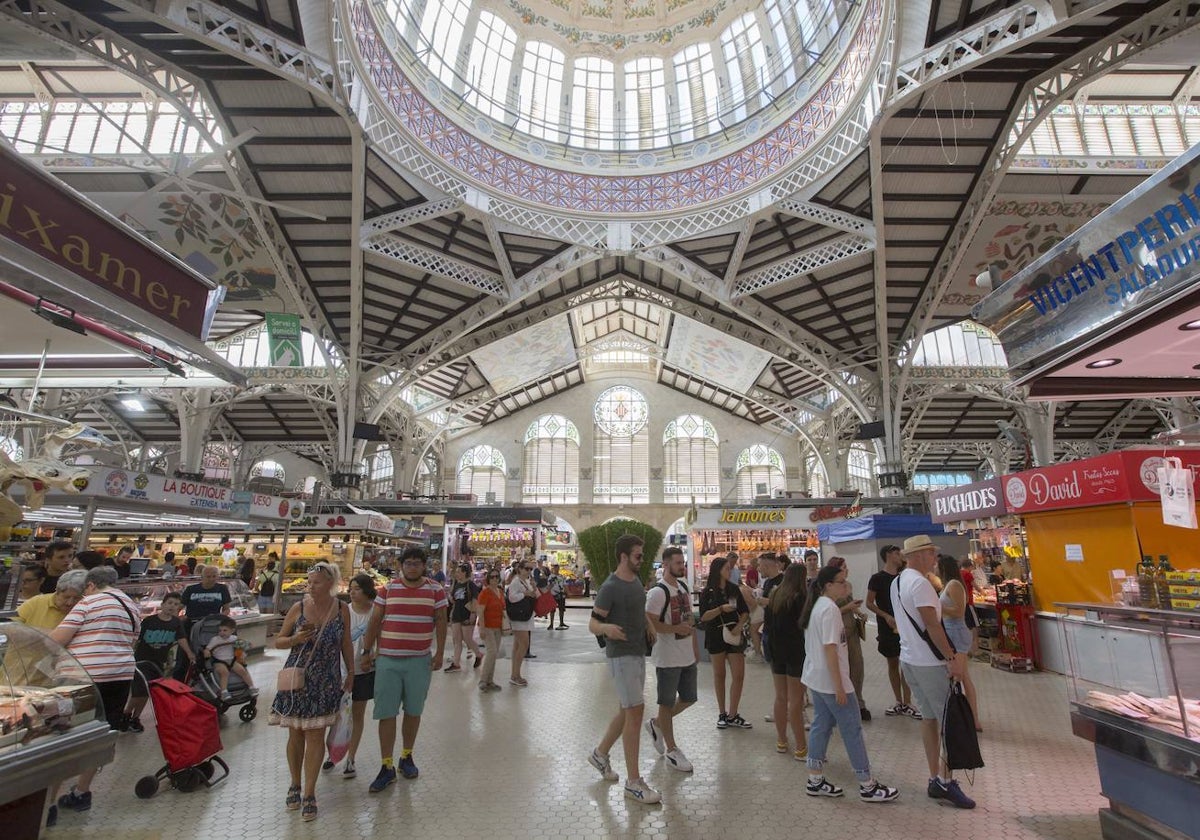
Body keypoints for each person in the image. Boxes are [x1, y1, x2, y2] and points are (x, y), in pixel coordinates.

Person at [801, 564, 899, 803]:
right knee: (852, 729)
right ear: (828, 586)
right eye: (842, 582)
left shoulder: (821, 607)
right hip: (831, 681)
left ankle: (815, 779)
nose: (846, 585)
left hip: (817, 678)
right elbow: (831, 649)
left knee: (821, 726)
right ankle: (867, 784)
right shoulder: (829, 610)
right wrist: (839, 686)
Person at [50, 566, 141, 820]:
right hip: (121, 677)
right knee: (100, 735)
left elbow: (56, 639)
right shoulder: (131, 607)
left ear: (90, 585)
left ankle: (49, 804)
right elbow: (132, 641)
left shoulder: (88, 603)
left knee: (65, 736)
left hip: (83, 679)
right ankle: (82, 792)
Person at [892, 535, 975, 809]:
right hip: (930, 663)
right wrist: (951, 657)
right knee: (948, 721)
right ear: (916, 556)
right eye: (930, 553)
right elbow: (933, 626)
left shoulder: (897, 582)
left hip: (910, 660)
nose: (934, 558)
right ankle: (947, 782)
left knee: (928, 718)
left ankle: (934, 777)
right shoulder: (921, 584)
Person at [270, 562, 354, 821]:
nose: (311, 586)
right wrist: (296, 639)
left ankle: (309, 793)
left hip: (326, 680)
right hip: (297, 680)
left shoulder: (341, 609)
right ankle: (295, 783)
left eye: (316, 582)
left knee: (316, 736)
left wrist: (351, 672)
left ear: (330, 583)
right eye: (309, 582)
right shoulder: (299, 608)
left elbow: (346, 641)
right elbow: (279, 640)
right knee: (295, 735)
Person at [361, 546, 448, 793]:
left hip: (419, 661)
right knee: (386, 712)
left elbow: (441, 621)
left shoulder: (436, 590)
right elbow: (375, 621)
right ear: (401, 565)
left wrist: (441, 652)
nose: (412, 567)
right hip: (388, 660)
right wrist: (367, 652)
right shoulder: (387, 589)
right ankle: (386, 765)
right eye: (408, 563)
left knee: (413, 711)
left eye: (416, 563)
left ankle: (406, 756)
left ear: (424, 566)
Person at [588, 534, 660, 804]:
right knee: (635, 712)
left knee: (627, 709)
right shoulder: (610, 587)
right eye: (638, 556)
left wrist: (649, 625)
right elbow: (593, 624)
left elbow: (638, 607)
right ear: (624, 557)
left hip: (638, 651)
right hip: (621, 656)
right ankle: (633, 782)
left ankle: (600, 754)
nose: (642, 560)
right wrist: (607, 628)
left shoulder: (636, 581)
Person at [644, 546, 698, 774]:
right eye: (677, 563)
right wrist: (674, 628)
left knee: (689, 698)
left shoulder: (683, 586)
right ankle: (672, 748)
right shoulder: (658, 592)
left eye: (682, 562)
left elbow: (689, 619)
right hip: (667, 657)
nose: (681, 566)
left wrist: (694, 648)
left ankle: (656, 723)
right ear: (665, 564)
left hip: (686, 655)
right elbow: (650, 622)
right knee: (666, 703)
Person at [324, 573, 377, 777]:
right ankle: (333, 753)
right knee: (336, 713)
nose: (352, 592)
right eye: (351, 589)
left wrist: (373, 657)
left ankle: (351, 758)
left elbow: (380, 640)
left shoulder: (376, 612)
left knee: (357, 714)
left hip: (364, 670)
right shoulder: (343, 610)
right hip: (341, 670)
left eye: (357, 589)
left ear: (367, 591)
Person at [122, 592, 194, 732]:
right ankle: (127, 715)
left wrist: (189, 653)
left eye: (175, 604)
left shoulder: (176, 623)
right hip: (141, 662)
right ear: (162, 605)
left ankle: (134, 717)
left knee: (146, 692)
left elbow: (181, 639)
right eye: (169, 603)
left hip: (158, 663)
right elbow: (137, 639)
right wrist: (128, 654)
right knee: (139, 691)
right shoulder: (149, 621)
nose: (172, 607)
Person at [698, 556, 751, 730]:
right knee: (719, 675)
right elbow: (704, 616)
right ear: (718, 570)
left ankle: (733, 713)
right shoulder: (707, 592)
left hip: (733, 634)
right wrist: (720, 609)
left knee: (739, 675)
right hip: (715, 634)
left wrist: (739, 626)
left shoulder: (734, 589)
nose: (730, 570)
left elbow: (744, 612)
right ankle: (722, 712)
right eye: (727, 568)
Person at [866, 545, 918, 719]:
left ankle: (908, 701)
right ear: (888, 555)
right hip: (888, 627)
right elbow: (869, 602)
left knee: (906, 663)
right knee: (893, 662)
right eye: (896, 553)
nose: (900, 556)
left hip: (906, 625)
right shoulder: (877, 579)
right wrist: (885, 616)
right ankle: (899, 700)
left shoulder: (905, 577)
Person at [766, 562, 809, 761]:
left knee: (780, 697)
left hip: (776, 652)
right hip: (796, 652)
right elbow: (805, 625)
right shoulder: (800, 598)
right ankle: (801, 747)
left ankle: (782, 741)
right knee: (796, 701)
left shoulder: (775, 594)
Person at [938, 554, 980, 731]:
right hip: (951, 632)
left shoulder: (954, 585)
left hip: (956, 632)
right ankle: (971, 717)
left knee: (960, 676)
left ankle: (972, 719)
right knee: (963, 676)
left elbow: (959, 611)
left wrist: (938, 607)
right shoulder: (947, 585)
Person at [827, 556, 870, 721]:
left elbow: (850, 605)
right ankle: (842, 703)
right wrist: (848, 608)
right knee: (842, 668)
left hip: (852, 631)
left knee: (857, 666)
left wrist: (859, 613)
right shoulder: (830, 590)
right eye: (844, 568)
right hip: (838, 632)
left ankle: (858, 701)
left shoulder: (848, 586)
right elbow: (831, 610)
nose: (847, 570)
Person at [175, 564, 231, 680]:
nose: (211, 579)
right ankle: (179, 682)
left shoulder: (222, 589)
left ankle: (206, 679)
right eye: (208, 576)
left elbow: (226, 608)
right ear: (202, 577)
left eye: (214, 576)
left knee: (208, 655)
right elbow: (180, 606)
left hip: (211, 628)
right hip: (190, 626)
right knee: (184, 656)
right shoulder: (191, 589)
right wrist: (177, 618)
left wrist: (221, 617)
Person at [205, 615, 259, 700]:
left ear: (232, 631)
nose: (221, 633)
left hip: (231, 660)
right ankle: (224, 692)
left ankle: (251, 687)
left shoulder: (234, 639)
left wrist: (246, 646)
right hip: (219, 660)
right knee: (224, 672)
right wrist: (207, 652)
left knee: (242, 671)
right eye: (220, 630)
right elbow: (208, 648)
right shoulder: (215, 640)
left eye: (225, 630)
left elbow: (243, 646)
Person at [15, 569, 86, 631]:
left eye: (77, 598)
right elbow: (10, 625)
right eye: (66, 597)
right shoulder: (37, 602)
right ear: (57, 592)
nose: (69, 603)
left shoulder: (87, 610)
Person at [446, 562, 483, 672]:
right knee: (456, 639)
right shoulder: (457, 584)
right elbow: (452, 599)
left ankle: (479, 654)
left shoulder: (471, 585)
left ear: (465, 573)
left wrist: (473, 613)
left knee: (467, 638)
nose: (456, 573)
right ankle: (456, 663)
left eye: (459, 572)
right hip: (457, 613)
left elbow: (475, 599)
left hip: (467, 614)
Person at [506, 560, 538, 685]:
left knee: (517, 646)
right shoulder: (516, 582)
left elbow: (535, 596)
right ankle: (516, 675)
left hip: (525, 616)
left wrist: (533, 588)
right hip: (519, 617)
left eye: (531, 569)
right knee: (524, 645)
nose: (529, 571)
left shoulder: (526, 582)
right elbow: (512, 597)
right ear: (519, 569)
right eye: (526, 568)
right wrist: (525, 594)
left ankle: (514, 674)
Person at [474, 569, 505, 691]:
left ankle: (490, 681)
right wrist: (481, 628)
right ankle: (483, 680)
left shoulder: (500, 592)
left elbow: (503, 609)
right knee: (491, 652)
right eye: (492, 577)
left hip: (498, 626)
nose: (495, 579)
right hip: (487, 626)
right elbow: (480, 612)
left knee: (494, 653)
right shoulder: (485, 593)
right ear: (488, 579)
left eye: (497, 576)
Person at [549, 563, 569, 629]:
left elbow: (565, 584)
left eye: (558, 568)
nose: (557, 569)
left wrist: (567, 592)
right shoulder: (551, 577)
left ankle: (561, 622)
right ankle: (551, 624)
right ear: (553, 569)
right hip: (553, 595)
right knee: (552, 610)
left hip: (561, 594)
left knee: (562, 609)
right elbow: (548, 586)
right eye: (555, 568)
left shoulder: (561, 576)